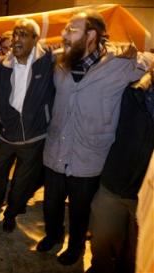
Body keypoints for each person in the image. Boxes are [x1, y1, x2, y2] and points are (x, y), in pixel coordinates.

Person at [39, 9, 154, 266]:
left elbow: (150, 60)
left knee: (81, 211)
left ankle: (76, 248)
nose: (64, 34)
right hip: (56, 149)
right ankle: (53, 235)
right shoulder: (59, 61)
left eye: (71, 29)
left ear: (91, 34)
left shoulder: (122, 65)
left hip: (90, 155)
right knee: (52, 203)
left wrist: (131, 50)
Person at [0, 18, 55, 234]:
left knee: (22, 182)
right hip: (5, 135)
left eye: (23, 34)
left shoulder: (48, 61)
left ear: (35, 39)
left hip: (33, 138)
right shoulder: (3, 65)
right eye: (15, 34)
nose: (16, 39)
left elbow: (77, 55)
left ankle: (11, 213)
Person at [86, 67, 154, 273]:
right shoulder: (130, 92)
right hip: (112, 186)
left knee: (135, 256)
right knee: (102, 244)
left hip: (147, 198)